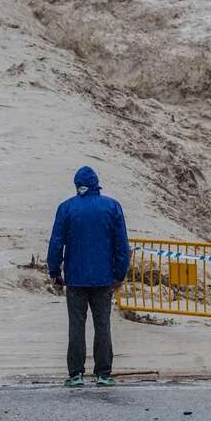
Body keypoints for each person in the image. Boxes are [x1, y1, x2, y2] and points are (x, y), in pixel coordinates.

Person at [47, 166, 129, 388]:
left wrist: (54, 272)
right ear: (97, 184)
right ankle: (103, 373)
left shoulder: (66, 208)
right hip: (104, 278)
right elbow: (122, 245)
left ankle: (76, 374)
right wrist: (120, 274)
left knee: (76, 325)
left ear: (76, 185)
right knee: (102, 325)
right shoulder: (112, 207)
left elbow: (56, 243)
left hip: (75, 278)